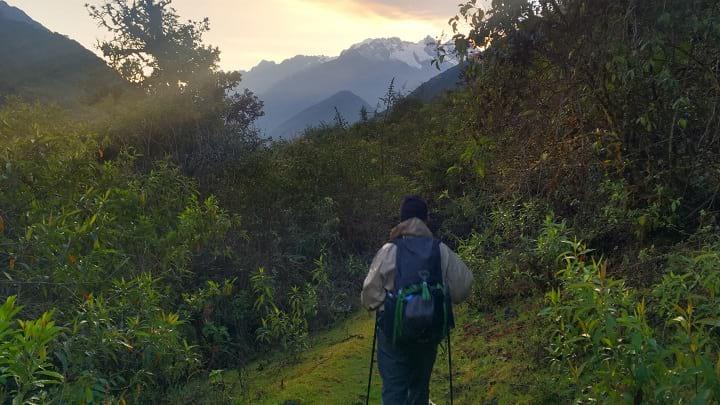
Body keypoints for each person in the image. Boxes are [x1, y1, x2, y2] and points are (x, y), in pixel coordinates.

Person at [361, 196, 474, 405]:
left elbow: (369, 296)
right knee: (419, 390)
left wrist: (387, 304)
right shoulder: (439, 250)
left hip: (394, 336)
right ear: (426, 220)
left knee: (394, 390)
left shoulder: (389, 250)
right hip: (428, 333)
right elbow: (464, 286)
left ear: (401, 221)